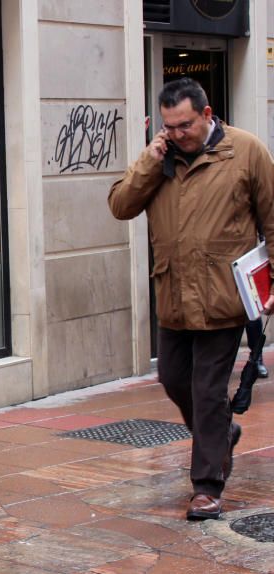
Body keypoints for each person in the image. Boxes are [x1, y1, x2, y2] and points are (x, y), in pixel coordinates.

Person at [108, 78, 274, 521]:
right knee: (174, 380)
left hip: (223, 294)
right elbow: (121, 206)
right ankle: (222, 432)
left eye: (184, 125)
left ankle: (206, 486)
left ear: (206, 114)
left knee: (207, 390)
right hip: (175, 294)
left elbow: (272, 215)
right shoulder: (159, 161)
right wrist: (148, 158)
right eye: (168, 126)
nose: (177, 134)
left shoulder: (246, 151)